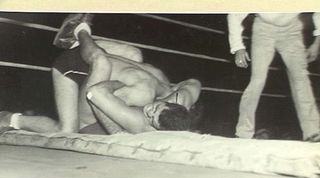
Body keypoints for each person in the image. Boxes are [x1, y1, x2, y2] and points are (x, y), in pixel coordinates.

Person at [0, 14, 201, 135]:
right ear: (175, 102)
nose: (148, 110)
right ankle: (80, 31)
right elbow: (96, 97)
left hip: (92, 71)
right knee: (123, 58)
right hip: (79, 67)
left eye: (151, 117)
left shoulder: (163, 99)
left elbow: (99, 105)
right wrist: (116, 85)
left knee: (129, 58)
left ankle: (9, 119)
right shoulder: (173, 95)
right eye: (155, 108)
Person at [227, 13, 320, 142]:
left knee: (301, 78)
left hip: (292, 30)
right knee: (257, 80)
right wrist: (238, 47)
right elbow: (235, 13)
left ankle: (313, 131)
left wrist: (317, 41)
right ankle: (243, 132)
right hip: (264, 29)